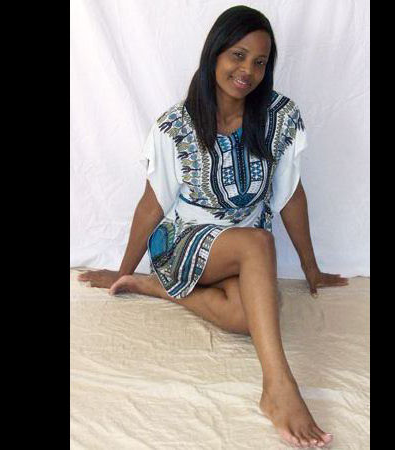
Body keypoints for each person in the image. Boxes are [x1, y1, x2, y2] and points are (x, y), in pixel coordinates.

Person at [78, 5, 348, 448]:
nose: (248, 71)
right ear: (214, 54)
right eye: (238, 56)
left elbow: (291, 196)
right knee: (258, 243)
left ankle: (158, 289)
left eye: (260, 62)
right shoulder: (175, 126)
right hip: (184, 247)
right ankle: (279, 386)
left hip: (241, 255)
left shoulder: (280, 118)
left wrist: (311, 269)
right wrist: (121, 268)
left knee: (245, 317)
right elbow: (151, 205)